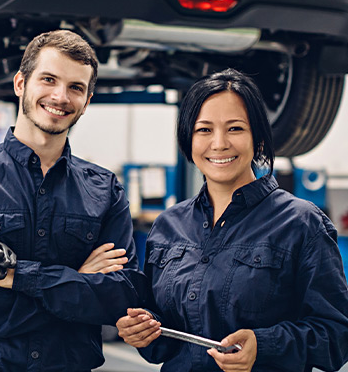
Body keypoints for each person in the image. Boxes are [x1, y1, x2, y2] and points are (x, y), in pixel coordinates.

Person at [0, 30, 146, 371]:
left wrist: (18, 277)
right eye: (48, 79)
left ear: (87, 101)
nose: (60, 96)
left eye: (76, 87)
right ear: (20, 84)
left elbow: (119, 297)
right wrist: (76, 279)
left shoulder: (105, 191)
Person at [116, 68, 348, 372]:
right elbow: (162, 341)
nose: (219, 143)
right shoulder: (168, 225)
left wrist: (264, 345)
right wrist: (143, 331)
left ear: (259, 140)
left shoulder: (302, 224)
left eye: (235, 129)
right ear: (189, 141)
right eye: (204, 130)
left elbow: (336, 337)